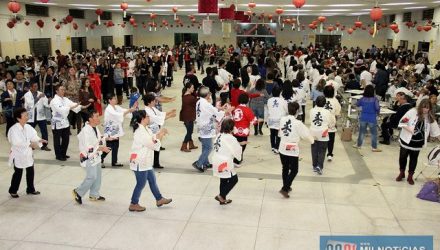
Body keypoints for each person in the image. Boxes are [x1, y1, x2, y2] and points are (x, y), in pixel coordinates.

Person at [128, 110, 172, 212]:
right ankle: (133, 203)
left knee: (152, 180)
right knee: (141, 183)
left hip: (145, 161)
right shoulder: (140, 132)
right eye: (147, 116)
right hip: (140, 161)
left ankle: (159, 199)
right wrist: (160, 136)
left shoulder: (145, 128)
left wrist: (159, 134)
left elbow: (152, 137)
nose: (149, 118)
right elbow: (151, 144)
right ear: (142, 119)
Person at [396, 99, 440, 185]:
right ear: (420, 106)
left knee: (414, 158)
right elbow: (402, 122)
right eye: (424, 107)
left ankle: (410, 176)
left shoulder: (430, 117)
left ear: (430, 108)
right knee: (403, 156)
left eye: (427, 108)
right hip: (407, 139)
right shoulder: (412, 112)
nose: (425, 110)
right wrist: (410, 130)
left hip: (418, 142)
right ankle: (401, 173)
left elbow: (436, 132)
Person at [72, 110, 111, 205]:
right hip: (88, 157)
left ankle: (94, 194)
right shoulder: (86, 131)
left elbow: (98, 139)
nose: (99, 118)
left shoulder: (94, 127)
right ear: (90, 119)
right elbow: (88, 147)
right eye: (96, 116)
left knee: (97, 176)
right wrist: (102, 148)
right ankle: (78, 192)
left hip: (96, 156)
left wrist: (106, 138)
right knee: (92, 177)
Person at [7, 107, 47, 198]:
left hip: (28, 154)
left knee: (30, 171)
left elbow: (34, 136)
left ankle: (30, 189)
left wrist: (40, 140)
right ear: (18, 118)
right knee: (18, 172)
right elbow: (16, 142)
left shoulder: (28, 127)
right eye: (25, 115)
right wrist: (30, 144)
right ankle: (13, 190)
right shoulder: (13, 129)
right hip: (18, 154)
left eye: (27, 115)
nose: (27, 116)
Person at [192, 86, 233, 172]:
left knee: (204, 146)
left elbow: (212, 110)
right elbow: (216, 113)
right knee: (209, 147)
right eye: (209, 93)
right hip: (205, 127)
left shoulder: (199, 101)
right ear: (207, 95)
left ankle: (205, 162)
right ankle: (199, 163)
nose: (210, 94)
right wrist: (227, 110)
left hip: (201, 126)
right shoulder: (205, 104)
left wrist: (220, 108)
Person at [278, 102, 314, 198]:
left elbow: (280, 132)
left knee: (285, 168)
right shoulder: (298, 123)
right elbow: (306, 135)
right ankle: (285, 188)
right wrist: (312, 141)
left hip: (282, 146)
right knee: (294, 170)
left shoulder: (282, 119)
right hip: (292, 148)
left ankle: (286, 186)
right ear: (297, 111)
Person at [101, 93, 137, 167]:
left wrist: (131, 109)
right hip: (110, 131)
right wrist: (129, 110)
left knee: (116, 146)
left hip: (116, 130)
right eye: (114, 98)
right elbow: (118, 115)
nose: (116, 99)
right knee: (109, 147)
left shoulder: (116, 107)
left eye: (115, 98)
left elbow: (123, 111)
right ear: (109, 100)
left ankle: (114, 161)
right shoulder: (109, 109)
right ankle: (100, 159)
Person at [212, 118, 242, 205]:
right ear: (231, 128)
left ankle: (222, 199)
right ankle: (221, 195)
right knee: (234, 179)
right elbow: (237, 151)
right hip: (224, 162)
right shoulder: (231, 138)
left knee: (223, 179)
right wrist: (240, 146)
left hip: (216, 160)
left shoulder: (219, 135)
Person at [143, 93, 176, 169]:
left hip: (155, 129)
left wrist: (170, 112)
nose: (155, 102)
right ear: (149, 102)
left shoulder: (152, 108)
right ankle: (151, 162)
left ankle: (156, 163)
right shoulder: (147, 110)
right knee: (152, 146)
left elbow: (160, 114)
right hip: (150, 130)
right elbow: (156, 118)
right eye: (153, 101)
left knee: (157, 146)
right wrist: (170, 116)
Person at [50, 85, 82, 161]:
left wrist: (80, 106)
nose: (63, 91)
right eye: (61, 90)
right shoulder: (54, 101)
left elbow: (73, 104)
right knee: (57, 140)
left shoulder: (65, 99)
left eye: (64, 90)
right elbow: (61, 109)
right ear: (57, 91)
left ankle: (63, 153)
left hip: (65, 122)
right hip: (57, 122)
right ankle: (58, 155)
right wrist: (72, 107)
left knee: (66, 139)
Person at [309, 96, 335, 175]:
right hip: (323, 133)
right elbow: (331, 123)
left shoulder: (311, 110)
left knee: (314, 149)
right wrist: (331, 126)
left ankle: (314, 165)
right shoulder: (327, 112)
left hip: (313, 132)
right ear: (324, 103)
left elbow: (311, 120)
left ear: (316, 102)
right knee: (322, 150)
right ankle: (319, 166)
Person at [353, 85, 382, 152]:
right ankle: (374, 148)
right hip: (372, 118)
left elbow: (357, 104)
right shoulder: (375, 99)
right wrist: (378, 113)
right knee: (373, 133)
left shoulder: (362, 98)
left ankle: (358, 145)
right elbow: (377, 108)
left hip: (363, 117)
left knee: (362, 132)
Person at [24, 82, 51, 151]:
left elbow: (46, 104)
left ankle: (44, 146)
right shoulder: (27, 95)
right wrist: (39, 97)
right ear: (31, 87)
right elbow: (30, 104)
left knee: (44, 131)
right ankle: (30, 145)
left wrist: (49, 100)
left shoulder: (40, 93)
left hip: (40, 116)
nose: (36, 88)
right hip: (30, 117)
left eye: (37, 86)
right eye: (35, 86)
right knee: (29, 132)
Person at [232, 93, 256, 166]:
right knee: (242, 145)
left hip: (235, 130)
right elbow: (253, 121)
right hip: (244, 131)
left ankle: (237, 158)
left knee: (236, 144)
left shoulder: (236, 109)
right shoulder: (247, 110)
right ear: (247, 100)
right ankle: (237, 160)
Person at [267, 86, 288, 154]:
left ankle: (272, 146)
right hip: (280, 119)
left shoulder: (269, 100)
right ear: (280, 93)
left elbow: (268, 108)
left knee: (272, 133)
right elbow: (286, 110)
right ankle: (277, 147)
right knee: (278, 134)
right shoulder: (283, 101)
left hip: (271, 118)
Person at [323, 85, 341, 161]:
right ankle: (330, 154)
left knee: (323, 139)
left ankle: (322, 152)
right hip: (331, 123)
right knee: (331, 140)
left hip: (323, 122)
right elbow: (337, 113)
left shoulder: (322, 99)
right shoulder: (335, 101)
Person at [180, 81, 198, 152]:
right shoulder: (189, 97)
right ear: (188, 88)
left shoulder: (185, 95)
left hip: (187, 116)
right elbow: (197, 101)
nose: (193, 89)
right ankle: (183, 146)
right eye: (192, 88)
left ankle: (191, 145)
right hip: (188, 117)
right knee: (189, 132)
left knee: (189, 131)